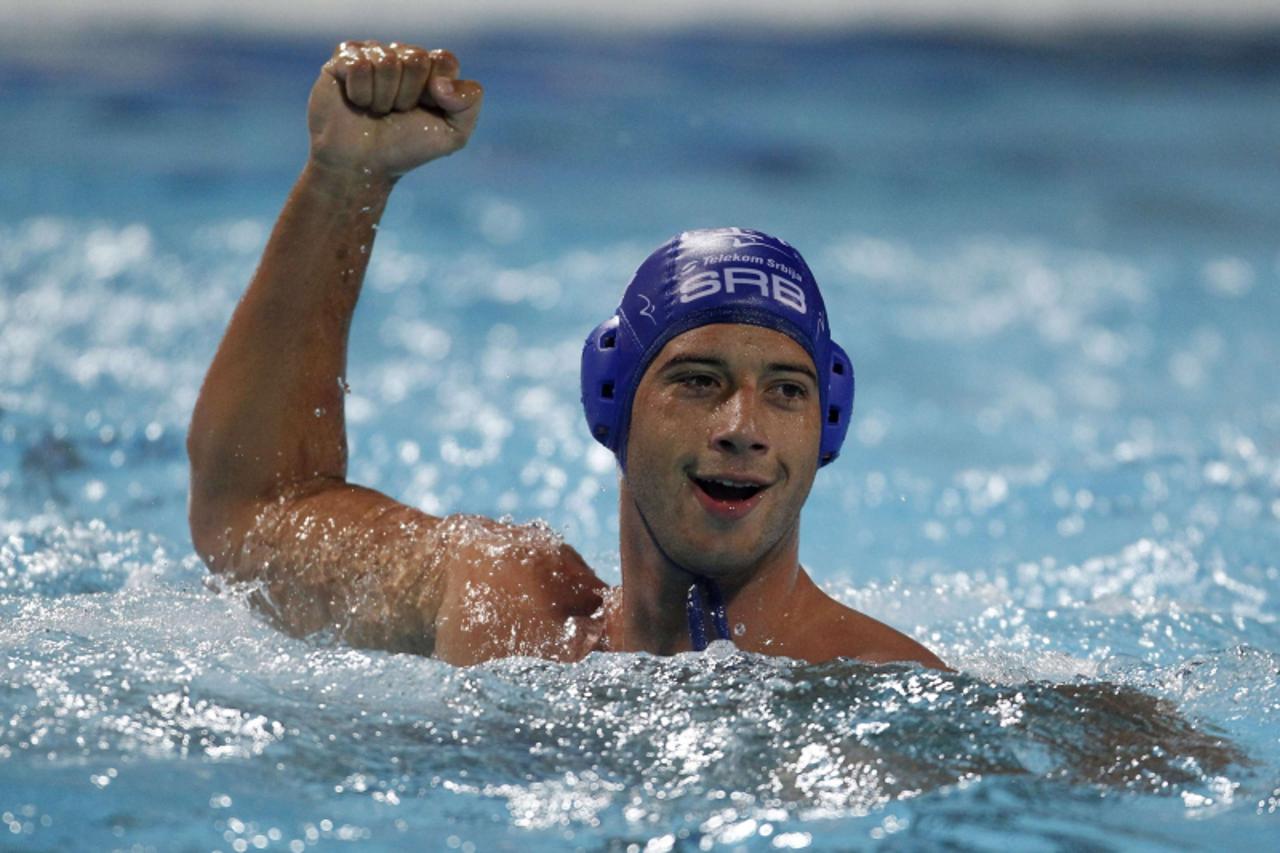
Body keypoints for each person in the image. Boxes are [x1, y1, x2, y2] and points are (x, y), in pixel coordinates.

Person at [187, 39, 946, 670]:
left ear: (830, 425)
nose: (742, 425)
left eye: (785, 390)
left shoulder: (887, 686)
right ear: (611, 400)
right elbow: (251, 512)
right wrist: (344, 181)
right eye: (698, 380)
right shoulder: (505, 608)